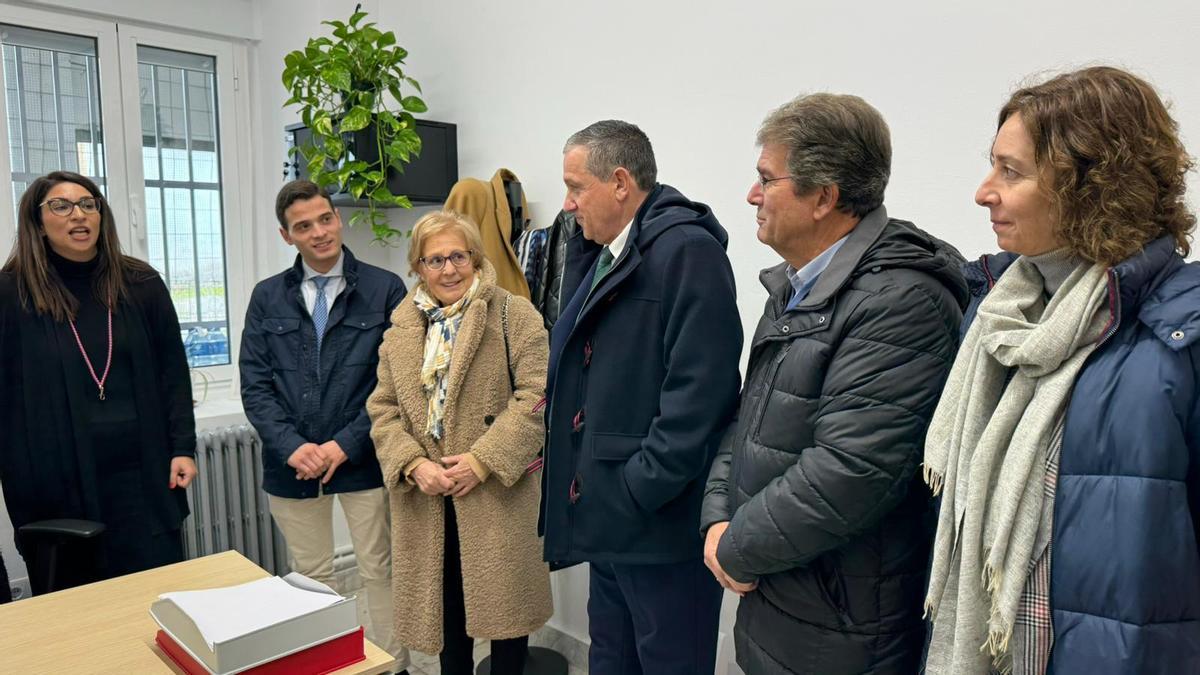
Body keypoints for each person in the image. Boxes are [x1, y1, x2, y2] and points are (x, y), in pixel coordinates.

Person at [922, 66, 1200, 675]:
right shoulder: (998, 314)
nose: (983, 191)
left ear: (1092, 186)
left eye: (1010, 172)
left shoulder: (1180, 335)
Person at [699, 94, 968, 674]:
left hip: (841, 621)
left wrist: (736, 545)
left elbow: (852, 471)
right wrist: (718, 516)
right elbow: (747, 421)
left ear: (824, 197)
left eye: (766, 180)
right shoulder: (798, 287)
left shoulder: (902, 300)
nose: (752, 195)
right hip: (782, 592)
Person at [542, 120, 743, 674]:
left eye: (576, 187)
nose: (567, 204)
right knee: (612, 659)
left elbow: (701, 393)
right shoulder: (606, 253)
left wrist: (639, 486)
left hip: (658, 525)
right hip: (612, 520)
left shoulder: (686, 252)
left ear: (621, 182)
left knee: (669, 662)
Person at [367, 211, 552, 675]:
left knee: (508, 630)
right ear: (418, 267)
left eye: (458, 256)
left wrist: (483, 460)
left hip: (496, 494)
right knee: (447, 626)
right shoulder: (401, 330)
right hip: (428, 499)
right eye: (434, 260)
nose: (448, 269)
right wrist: (413, 464)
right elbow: (383, 409)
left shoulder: (512, 313)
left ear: (475, 257)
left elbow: (538, 396)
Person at [239, 180, 409, 671]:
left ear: (337, 219)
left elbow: (393, 383)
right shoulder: (266, 297)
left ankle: (390, 665)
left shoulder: (384, 289)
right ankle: (329, 664)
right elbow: (255, 384)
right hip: (290, 462)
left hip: (363, 456)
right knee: (311, 574)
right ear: (285, 235)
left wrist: (343, 444)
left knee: (379, 569)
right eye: (303, 226)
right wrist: (294, 447)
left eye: (325, 219)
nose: (319, 232)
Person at [0, 171, 198, 590]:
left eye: (89, 204)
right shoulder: (11, 293)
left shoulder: (140, 283)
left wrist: (182, 446)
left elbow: (173, 372)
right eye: (61, 205)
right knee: (79, 609)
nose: (79, 215)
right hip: (56, 481)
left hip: (142, 475)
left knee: (155, 595)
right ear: (36, 222)